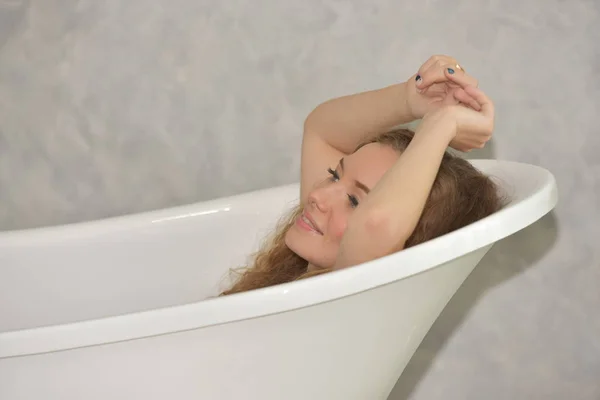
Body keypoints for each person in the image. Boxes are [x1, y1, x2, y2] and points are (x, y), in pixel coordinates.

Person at [221, 55, 502, 295]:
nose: (317, 196)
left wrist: (442, 124)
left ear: (406, 241)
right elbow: (323, 132)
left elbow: (376, 224)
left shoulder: (351, 300)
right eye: (334, 175)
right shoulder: (305, 274)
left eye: (355, 201)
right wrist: (411, 99)